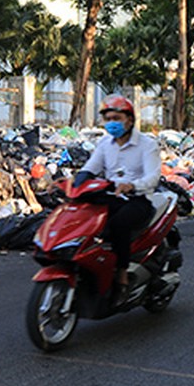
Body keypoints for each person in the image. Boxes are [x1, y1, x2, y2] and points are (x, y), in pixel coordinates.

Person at [78, 95, 162, 296]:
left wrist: (131, 185)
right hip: (112, 195)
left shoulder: (147, 145)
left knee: (119, 224)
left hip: (138, 199)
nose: (112, 123)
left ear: (129, 120)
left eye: (117, 118)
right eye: (108, 119)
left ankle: (122, 272)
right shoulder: (105, 143)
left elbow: (153, 177)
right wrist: (75, 183)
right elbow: (91, 168)